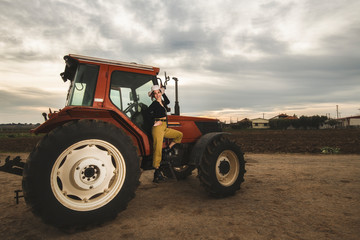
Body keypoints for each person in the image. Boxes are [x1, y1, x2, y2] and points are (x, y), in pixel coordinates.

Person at [147, 85, 183, 183]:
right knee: (157, 149)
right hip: (158, 128)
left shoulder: (162, 102)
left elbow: (168, 101)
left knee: (179, 135)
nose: (157, 95)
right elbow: (147, 115)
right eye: (155, 93)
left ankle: (168, 148)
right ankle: (157, 173)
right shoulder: (154, 104)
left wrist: (163, 92)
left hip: (164, 127)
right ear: (153, 96)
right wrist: (154, 123)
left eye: (159, 92)